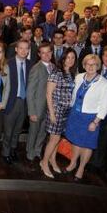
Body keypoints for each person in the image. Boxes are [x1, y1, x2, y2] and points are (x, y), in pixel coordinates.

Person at [65, 54, 107, 181]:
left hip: (90, 118)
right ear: (84, 65)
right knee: (75, 141)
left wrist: (96, 122)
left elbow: (105, 106)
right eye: (88, 64)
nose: (90, 67)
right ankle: (73, 163)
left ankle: (81, 168)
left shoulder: (104, 83)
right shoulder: (79, 77)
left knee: (87, 145)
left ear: (98, 66)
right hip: (75, 115)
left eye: (94, 64)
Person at [39, 48, 77, 178]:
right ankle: (44, 162)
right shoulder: (57, 72)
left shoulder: (70, 73)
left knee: (57, 139)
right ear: (63, 58)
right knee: (53, 139)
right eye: (68, 57)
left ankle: (52, 160)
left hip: (66, 111)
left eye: (73, 58)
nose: (70, 60)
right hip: (56, 110)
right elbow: (48, 94)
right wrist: (52, 113)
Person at [2, 39, 32, 164]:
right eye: (21, 48)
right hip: (11, 102)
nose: (23, 51)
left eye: (26, 48)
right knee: (8, 131)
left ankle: (13, 150)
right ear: (16, 49)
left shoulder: (31, 64)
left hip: (24, 102)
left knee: (17, 130)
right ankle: (5, 153)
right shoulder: (7, 64)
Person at [26, 43, 55, 163]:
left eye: (48, 52)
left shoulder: (54, 67)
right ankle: (30, 153)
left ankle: (37, 151)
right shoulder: (36, 68)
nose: (46, 55)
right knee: (34, 132)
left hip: (49, 108)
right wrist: (31, 111)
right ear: (39, 54)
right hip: (37, 108)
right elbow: (30, 92)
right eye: (43, 52)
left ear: (51, 53)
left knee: (43, 132)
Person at [88, 45, 107, 173]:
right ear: (102, 57)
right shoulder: (95, 70)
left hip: (106, 114)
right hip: (91, 110)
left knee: (103, 136)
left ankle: (97, 163)